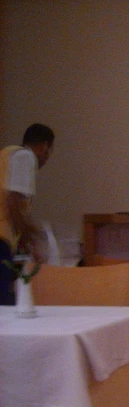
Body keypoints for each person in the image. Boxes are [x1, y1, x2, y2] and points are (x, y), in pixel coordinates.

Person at [0, 123, 55, 304]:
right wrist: (32, 239)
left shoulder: (8, 155)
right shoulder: (26, 157)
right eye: (48, 153)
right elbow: (12, 203)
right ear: (44, 147)